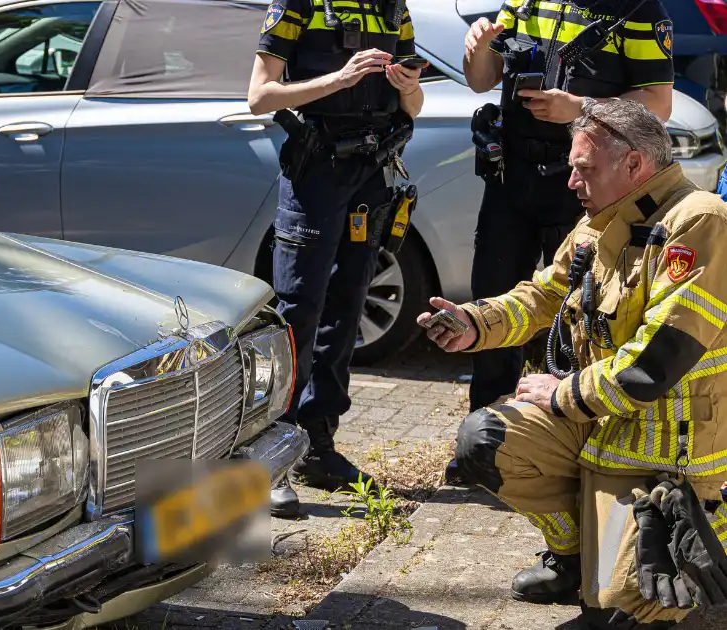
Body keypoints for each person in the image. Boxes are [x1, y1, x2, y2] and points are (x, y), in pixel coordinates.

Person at [422, 99, 727, 628]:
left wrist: (562, 395)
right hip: (598, 428)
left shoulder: (701, 222)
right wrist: (474, 323)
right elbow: (542, 299)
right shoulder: (600, 224)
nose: (571, 183)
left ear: (634, 166)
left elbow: (655, 364)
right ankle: (574, 558)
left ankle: (702, 533)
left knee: (611, 616)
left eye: (584, 169)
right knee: (485, 441)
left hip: (659, 461)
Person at [247, 0, 425, 518]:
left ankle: (319, 448)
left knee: (348, 307)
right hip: (316, 172)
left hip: (372, 172)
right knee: (298, 313)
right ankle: (271, 461)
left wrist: (407, 86)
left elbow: (410, 107)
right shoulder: (298, 5)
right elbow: (260, 96)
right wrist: (340, 79)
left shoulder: (394, 9)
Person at [461, 0, 675, 413]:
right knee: (493, 298)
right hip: (511, 179)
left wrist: (580, 109)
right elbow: (481, 79)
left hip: (583, 187)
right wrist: (479, 48)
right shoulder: (525, 2)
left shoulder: (640, 9)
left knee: (578, 314)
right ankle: (486, 435)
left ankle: (563, 435)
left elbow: (658, 103)